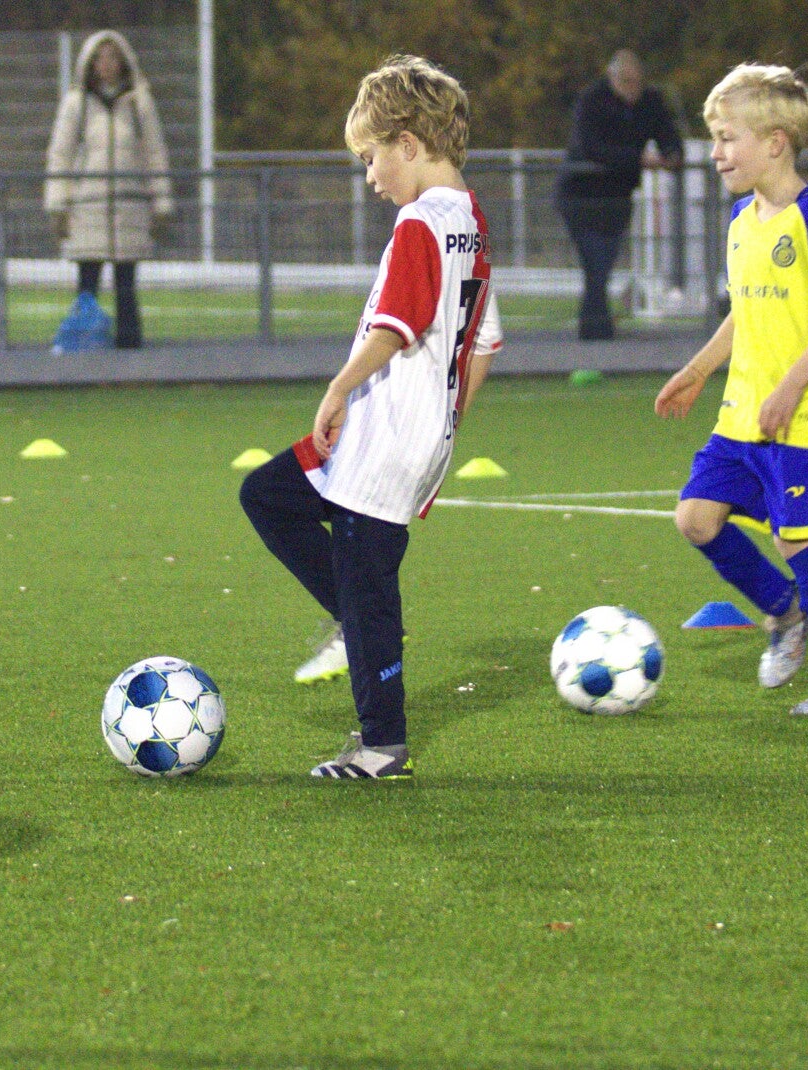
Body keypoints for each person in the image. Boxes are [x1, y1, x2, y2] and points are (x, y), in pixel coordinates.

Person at [239, 54, 503, 779]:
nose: (370, 178)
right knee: (269, 495)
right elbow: (482, 340)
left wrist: (338, 387)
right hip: (402, 434)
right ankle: (351, 618)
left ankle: (381, 746)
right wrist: (448, 423)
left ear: (407, 144)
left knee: (368, 586)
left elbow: (396, 325)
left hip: (383, 436)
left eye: (369, 158)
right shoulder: (472, 223)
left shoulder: (420, 222)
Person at [654, 64, 808, 716]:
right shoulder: (741, 219)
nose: (716, 152)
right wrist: (698, 369)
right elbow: (745, 313)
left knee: (796, 540)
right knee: (695, 519)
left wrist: (789, 388)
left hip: (797, 416)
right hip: (742, 413)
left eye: (728, 138)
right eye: (714, 138)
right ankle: (785, 611)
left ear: (776, 142)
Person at [44, 29, 173, 349]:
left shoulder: (140, 104)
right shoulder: (76, 104)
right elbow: (60, 154)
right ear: (89, 63)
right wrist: (58, 203)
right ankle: (83, 344)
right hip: (88, 208)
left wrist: (162, 201)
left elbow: (155, 153)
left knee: (126, 285)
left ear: (124, 61)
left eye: (113, 57)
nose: (107, 65)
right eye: (100, 58)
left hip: (129, 207)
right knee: (87, 285)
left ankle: (129, 348)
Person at [556, 49, 683, 340]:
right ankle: (596, 330)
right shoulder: (592, 100)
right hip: (581, 196)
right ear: (611, 78)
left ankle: (596, 330)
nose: (632, 89)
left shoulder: (650, 101)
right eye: (626, 82)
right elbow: (590, 148)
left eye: (636, 82)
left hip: (617, 197)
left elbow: (669, 136)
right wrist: (638, 159)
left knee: (602, 264)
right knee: (596, 262)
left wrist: (672, 155)